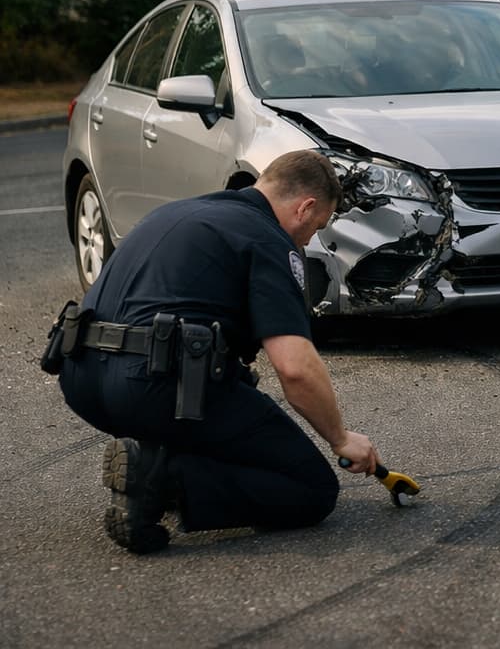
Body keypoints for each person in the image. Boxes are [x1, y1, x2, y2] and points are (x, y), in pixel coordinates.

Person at [56, 149, 380, 553]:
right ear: (305, 207)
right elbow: (295, 369)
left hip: (80, 380)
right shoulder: (267, 238)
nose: (309, 238)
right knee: (311, 488)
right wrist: (340, 438)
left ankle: (153, 464)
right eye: (316, 227)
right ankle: (160, 477)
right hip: (152, 387)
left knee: (231, 394)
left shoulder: (177, 213)